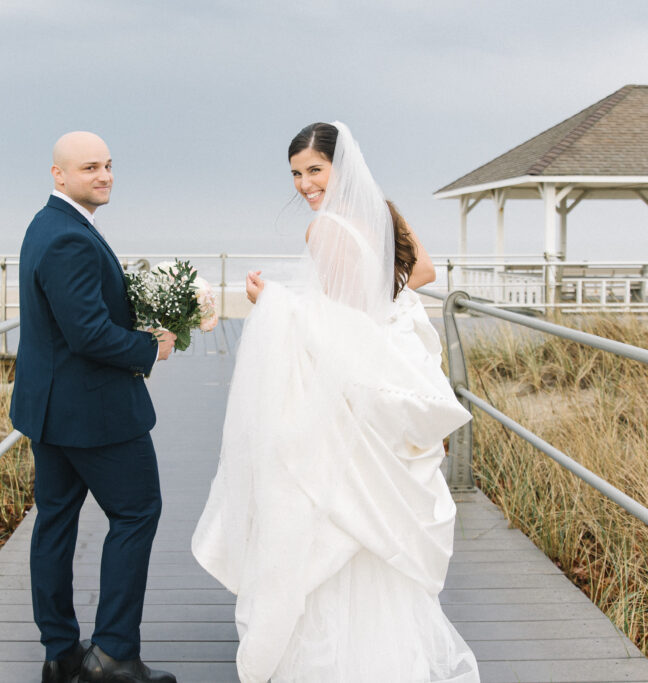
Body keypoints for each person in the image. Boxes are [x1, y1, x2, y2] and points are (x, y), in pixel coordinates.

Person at [192, 122, 480, 682]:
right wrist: (379, 297)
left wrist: (272, 299)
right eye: (296, 174)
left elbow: (338, 321)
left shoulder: (323, 230)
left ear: (339, 168)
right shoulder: (384, 213)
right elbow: (420, 272)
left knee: (328, 508)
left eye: (314, 170)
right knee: (369, 520)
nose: (304, 184)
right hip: (379, 372)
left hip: (348, 388)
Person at [10, 131, 178, 683]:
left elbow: (69, 323)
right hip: (94, 414)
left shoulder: (47, 225)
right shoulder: (69, 238)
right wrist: (149, 346)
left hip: (52, 409)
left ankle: (61, 653)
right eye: (89, 168)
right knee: (136, 514)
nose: (104, 175)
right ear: (58, 175)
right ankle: (114, 655)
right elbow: (86, 334)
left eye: (108, 165)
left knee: (55, 524)